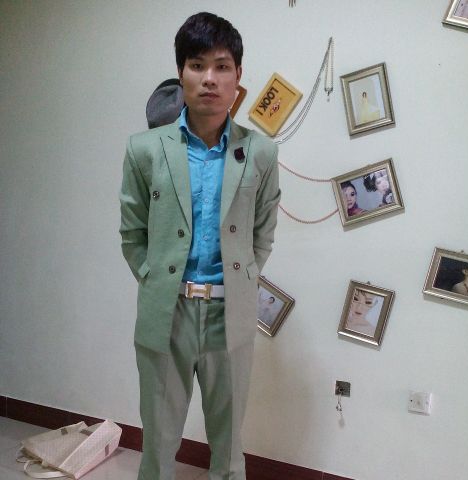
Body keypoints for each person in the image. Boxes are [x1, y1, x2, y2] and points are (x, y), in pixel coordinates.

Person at [119, 12, 280, 480]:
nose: (209, 78)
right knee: (158, 440)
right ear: (181, 72)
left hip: (230, 314)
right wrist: (153, 279)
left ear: (237, 76)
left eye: (222, 66)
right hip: (166, 312)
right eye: (197, 65)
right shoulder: (145, 149)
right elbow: (132, 232)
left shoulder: (261, 152)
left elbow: (263, 233)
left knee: (228, 446)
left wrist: (241, 279)